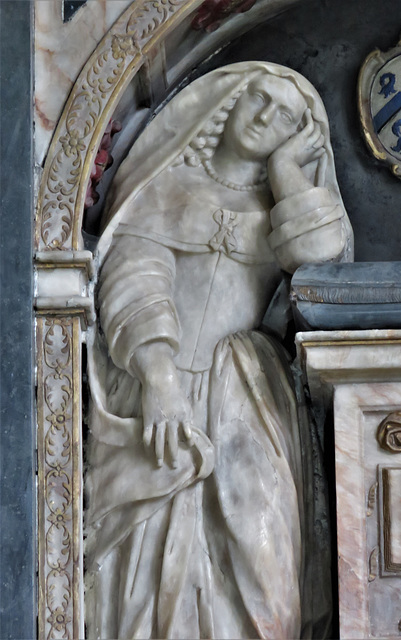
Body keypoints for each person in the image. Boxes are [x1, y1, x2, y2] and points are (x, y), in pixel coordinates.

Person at [85, 61, 353, 639]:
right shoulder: (167, 185)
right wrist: (160, 381)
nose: (266, 118)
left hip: (249, 401)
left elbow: (329, 272)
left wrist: (286, 174)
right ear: (228, 101)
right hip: (161, 385)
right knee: (146, 583)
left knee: (268, 572)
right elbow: (133, 281)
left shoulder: (282, 202)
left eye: (285, 115)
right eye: (258, 99)